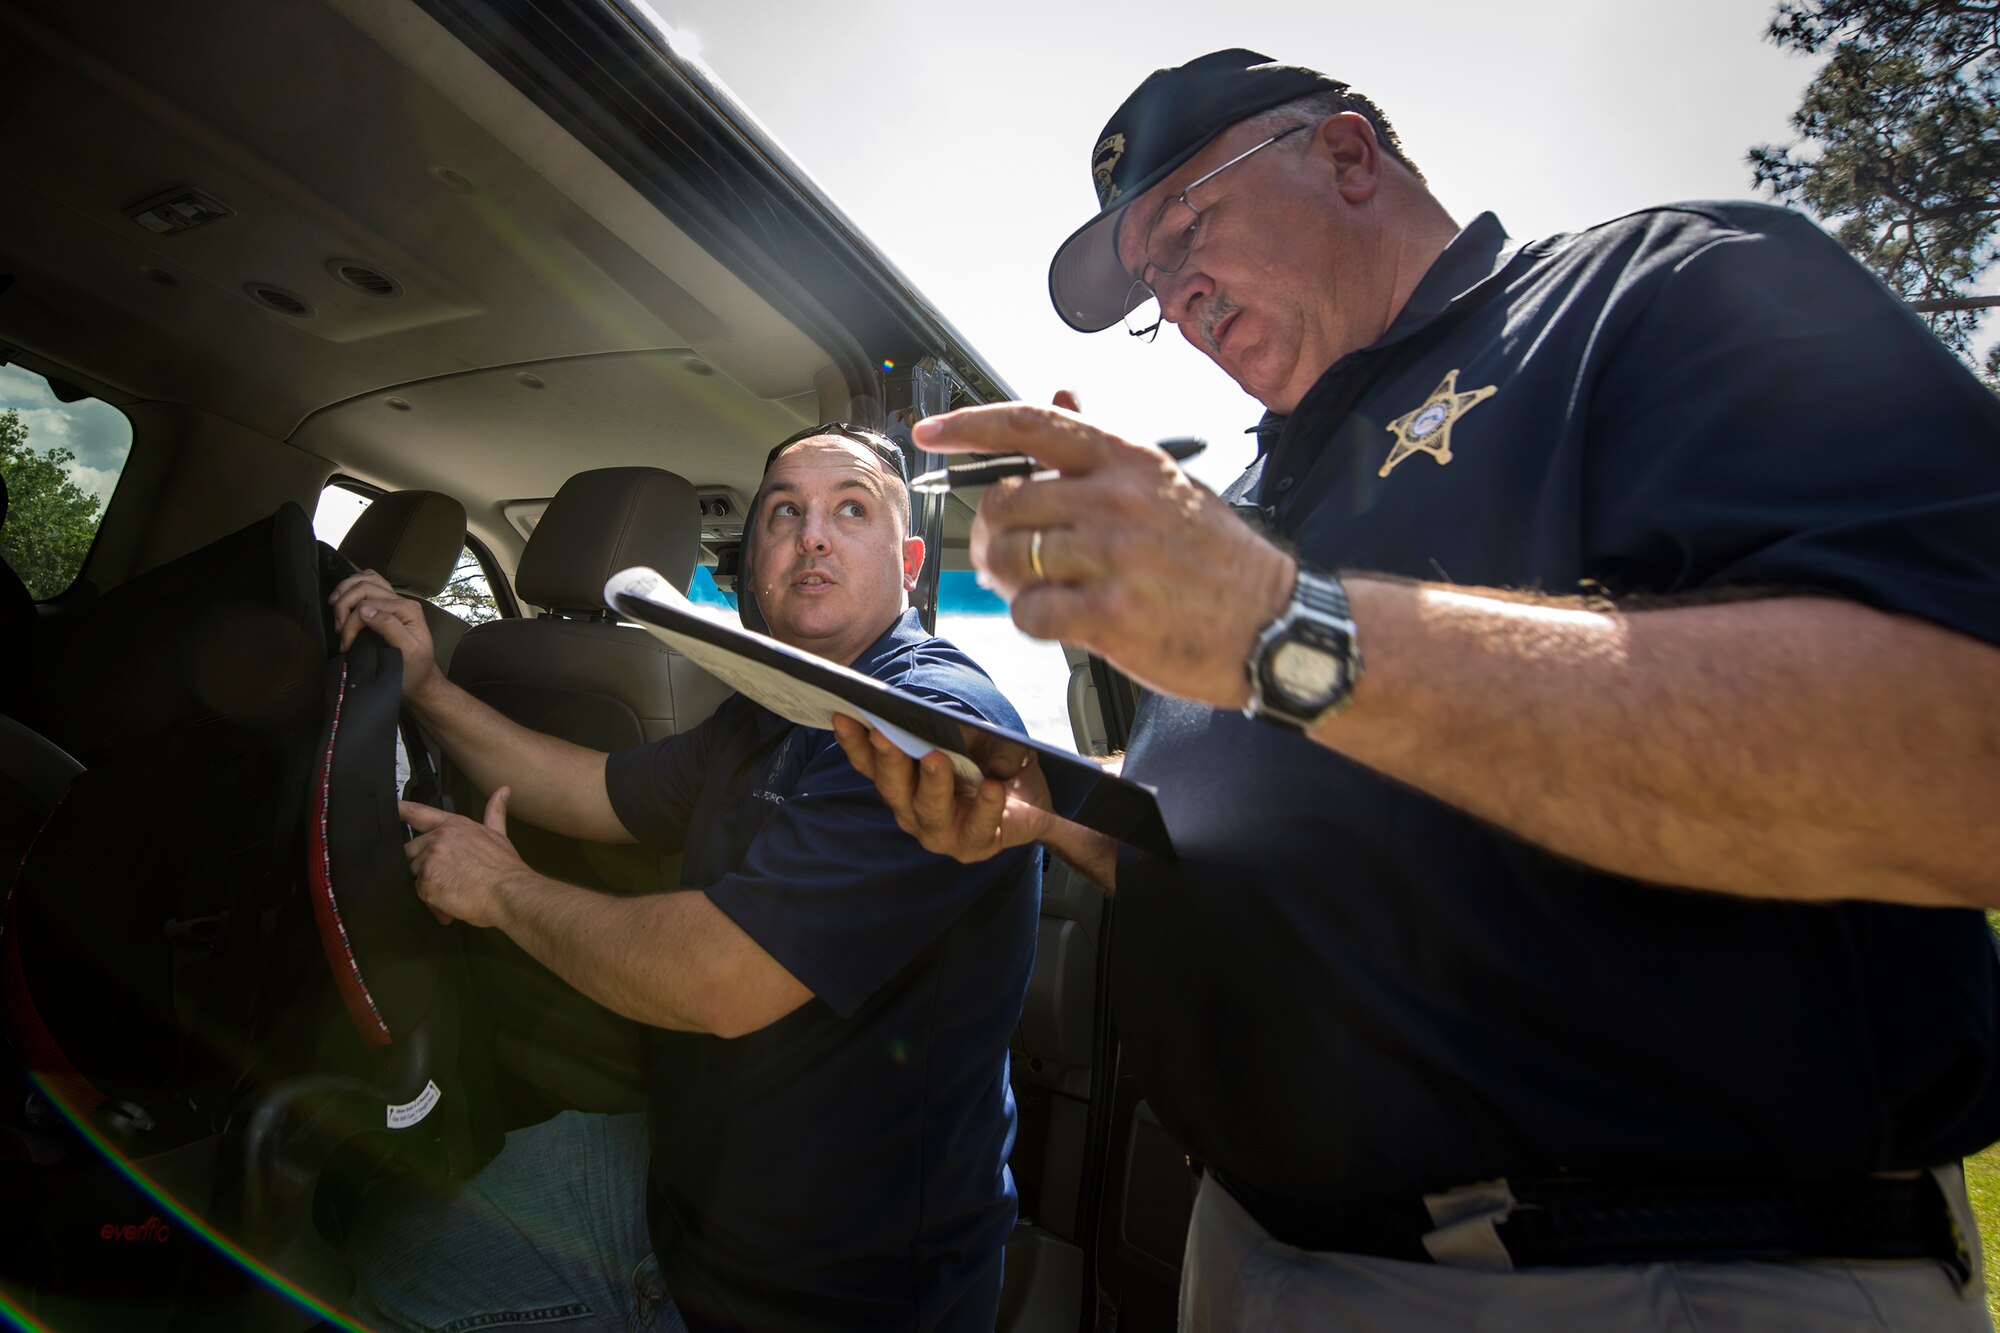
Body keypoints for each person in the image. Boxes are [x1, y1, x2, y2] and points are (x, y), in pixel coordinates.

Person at [832, 48, 2000, 1331]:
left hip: (1647, 1266)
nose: (1178, 290)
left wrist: (1284, 630)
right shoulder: (1236, 506)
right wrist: (1050, 820)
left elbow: (1965, 767)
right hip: (1244, 1253)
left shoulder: (1656, 294)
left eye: (1186, 222)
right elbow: (1277, 846)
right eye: (1153, 283)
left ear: (1346, 157)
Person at [329, 425, 1040, 1332]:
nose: (811, 534)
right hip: (683, 1197)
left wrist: (500, 887)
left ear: (908, 562)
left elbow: (719, 978)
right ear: (756, 559)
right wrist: (425, 686)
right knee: (390, 1271)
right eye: (785, 512)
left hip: (829, 1293)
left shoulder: (931, 725)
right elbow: (595, 789)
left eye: (849, 510)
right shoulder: (768, 708)